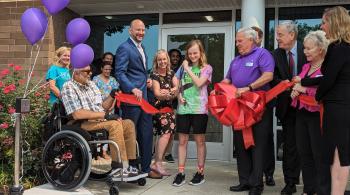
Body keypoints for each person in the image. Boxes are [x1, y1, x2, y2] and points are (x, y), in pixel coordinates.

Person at [61, 65, 139, 177]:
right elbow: (77, 114)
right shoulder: (68, 86)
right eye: (87, 71)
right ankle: (119, 168)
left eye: (90, 71)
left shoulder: (91, 85)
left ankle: (131, 165)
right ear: (77, 72)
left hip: (99, 120)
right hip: (82, 123)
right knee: (114, 125)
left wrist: (112, 95)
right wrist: (105, 116)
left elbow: (102, 106)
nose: (90, 73)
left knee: (128, 124)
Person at [224, 27, 274, 195]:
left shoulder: (262, 54)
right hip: (238, 108)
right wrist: (219, 88)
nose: (237, 44)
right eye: (236, 41)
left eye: (240, 41)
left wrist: (249, 87)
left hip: (257, 107)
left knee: (257, 146)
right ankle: (244, 181)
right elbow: (228, 79)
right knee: (240, 145)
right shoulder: (236, 60)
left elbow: (268, 76)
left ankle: (256, 185)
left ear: (251, 40)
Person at [115, 19, 159, 178]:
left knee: (146, 134)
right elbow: (120, 72)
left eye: (143, 30)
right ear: (130, 31)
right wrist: (132, 88)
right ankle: (132, 169)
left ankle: (146, 169)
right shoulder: (124, 48)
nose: (141, 32)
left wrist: (146, 80)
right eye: (138, 30)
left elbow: (138, 72)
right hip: (132, 101)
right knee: (131, 135)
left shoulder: (142, 48)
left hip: (144, 100)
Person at [315, 6, 350, 195]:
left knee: (338, 156)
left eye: (324, 22)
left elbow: (328, 80)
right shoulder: (344, 48)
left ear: (334, 23)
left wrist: (317, 95)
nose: (322, 26)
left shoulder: (338, 49)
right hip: (342, 109)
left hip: (338, 110)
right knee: (339, 155)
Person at [291, 30, 330, 195]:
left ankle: (322, 191)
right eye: (304, 48)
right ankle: (308, 190)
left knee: (319, 155)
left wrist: (304, 89)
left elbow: (326, 92)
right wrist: (295, 91)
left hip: (318, 115)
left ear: (320, 48)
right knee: (304, 154)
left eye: (309, 48)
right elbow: (297, 84)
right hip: (301, 114)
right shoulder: (306, 66)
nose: (305, 51)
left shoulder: (328, 67)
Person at [272, 20, 307, 195]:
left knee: (307, 145)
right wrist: (284, 84)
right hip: (287, 107)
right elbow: (273, 78)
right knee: (290, 147)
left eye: (280, 35)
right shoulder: (276, 54)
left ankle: (309, 183)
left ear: (291, 35)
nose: (277, 38)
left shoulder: (306, 49)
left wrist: (301, 87)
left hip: (309, 107)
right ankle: (290, 183)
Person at [172, 40, 212, 187]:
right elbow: (175, 80)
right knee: (182, 142)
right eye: (189, 53)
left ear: (201, 53)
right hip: (183, 109)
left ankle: (200, 173)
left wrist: (187, 69)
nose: (192, 55)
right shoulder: (182, 68)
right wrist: (178, 94)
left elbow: (199, 83)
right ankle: (181, 173)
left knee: (200, 142)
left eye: (195, 53)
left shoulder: (206, 68)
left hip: (199, 110)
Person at [251, 25, 276, 187]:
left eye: (255, 37)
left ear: (260, 38)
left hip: (264, 103)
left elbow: (271, 77)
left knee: (266, 139)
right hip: (246, 106)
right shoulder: (242, 56)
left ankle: (269, 173)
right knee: (252, 140)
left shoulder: (266, 55)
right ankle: (254, 175)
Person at [150, 49, 178, 176]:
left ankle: (158, 162)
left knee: (169, 135)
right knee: (165, 135)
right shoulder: (155, 75)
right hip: (160, 110)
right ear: (156, 61)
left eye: (164, 59)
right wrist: (169, 93)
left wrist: (169, 92)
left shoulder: (171, 73)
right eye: (159, 59)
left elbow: (177, 88)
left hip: (170, 109)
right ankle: (158, 163)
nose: (162, 62)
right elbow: (157, 94)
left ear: (167, 60)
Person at [92, 62, 120, 160]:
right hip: (99, 108)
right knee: (99, 130)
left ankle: (104, 151)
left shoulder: (113, 80)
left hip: (111, 108)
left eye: (109, 69)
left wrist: (112, 104)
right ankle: (98, 152)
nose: (108, 71)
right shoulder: (95, 79)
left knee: (108, 130)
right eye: (106, 69)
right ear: (101, 69)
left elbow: (116, 93)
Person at [164, 48, 183, 163]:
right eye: (173, 56)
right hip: (164, 103)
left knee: (172, 130)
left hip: (176, 104)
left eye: (177, 56)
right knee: (162, 130)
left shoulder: (181, 70)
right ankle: (156, 152)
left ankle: (168, 153)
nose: (175, 58)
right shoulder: (165, 70)